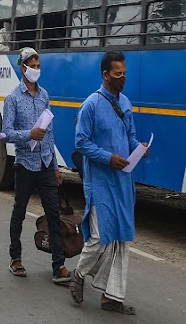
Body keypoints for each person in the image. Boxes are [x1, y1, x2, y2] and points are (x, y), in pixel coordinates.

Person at [70, 51, 147, 315]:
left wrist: (140, 148)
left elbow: (131, 136)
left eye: (124, 73)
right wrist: (107, 157)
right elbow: (80, 142)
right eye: (118, 74)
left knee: (121, 238)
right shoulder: (90, 104)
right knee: (101, 237)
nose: (122, 78)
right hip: (100, 182)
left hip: (123, 182)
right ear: (105, 75)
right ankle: (79, 273)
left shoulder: (125, 102)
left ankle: (111, 297)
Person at [2, 47, 72, 284]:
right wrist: (28, 134)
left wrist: (54, 167)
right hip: (24, 164)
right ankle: (15, 258)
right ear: (23, 68)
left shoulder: (44, 95)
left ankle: (58, 265)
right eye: (32, 66)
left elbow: (49, 132)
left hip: (44, 163)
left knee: (53, 213)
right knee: (18, 212)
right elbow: (7, 133)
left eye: (38, 65)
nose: (36, 70)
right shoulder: (13, 98)